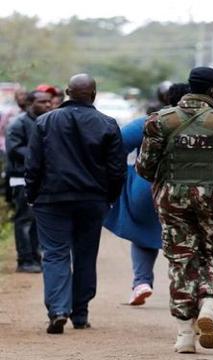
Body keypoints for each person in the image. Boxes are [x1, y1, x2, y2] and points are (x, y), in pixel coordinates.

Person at [136, 67, 213, 353]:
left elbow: (145, 168)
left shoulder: (160, 121)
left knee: (181, 260)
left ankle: (185, 333)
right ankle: (210, 305)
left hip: (173, 200)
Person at [25, 74, 126, 334]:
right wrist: (110, 198)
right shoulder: (108, 124)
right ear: (94, 95)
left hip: (51, 199)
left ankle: (58, 309)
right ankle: (80, 314)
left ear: (68, 92)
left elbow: (33, 164)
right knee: (85, 254)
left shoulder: (45, 122)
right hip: (92, 200)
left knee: (55, 253)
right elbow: (116, 170)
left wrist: (31, 195)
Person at [104, 83, 190, 306]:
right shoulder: (209, 122)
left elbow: (116, 143)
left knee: (143, 234)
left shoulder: (151, 121)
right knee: (187, 237)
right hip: (189, 188)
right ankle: (186, 288)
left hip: (146, 186)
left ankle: (141, 282)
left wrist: (126, 174)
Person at [5, 90, 52, 273]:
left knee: (36, 221)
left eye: (49, 102)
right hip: (21, 179)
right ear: (30, 103)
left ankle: (35, 257)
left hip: (41, 180)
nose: (47, 105)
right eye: (42, 102)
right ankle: (24, 260)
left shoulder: (46, 122)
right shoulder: (18, 124)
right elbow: (15, 149)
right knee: (24, 220)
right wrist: (39, 158)